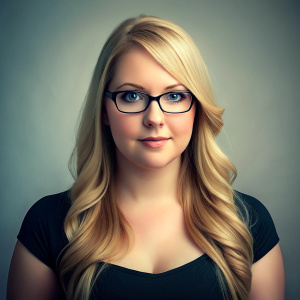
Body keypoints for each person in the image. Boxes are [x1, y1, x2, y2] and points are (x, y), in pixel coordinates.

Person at [7, 15, 285, 300]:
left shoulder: (248, 224)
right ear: (103, 110)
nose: (154, 118)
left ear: (197, 108)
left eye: (175, 96)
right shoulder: (47, 224)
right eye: (131, 96)